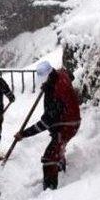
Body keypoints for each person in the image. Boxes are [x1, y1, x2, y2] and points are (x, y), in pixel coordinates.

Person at [15, 61, 81, 190]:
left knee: (49, 157)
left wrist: (24, 134)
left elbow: (46, 122)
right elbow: (69, 75)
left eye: (43, 80)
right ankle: (60, 168)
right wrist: (51, 83)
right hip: (70, 120)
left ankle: (51, 191)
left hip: (67, 125)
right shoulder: (60, 75)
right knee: (57, 145)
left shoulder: (55, 93)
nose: (42, 83)